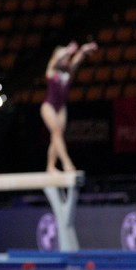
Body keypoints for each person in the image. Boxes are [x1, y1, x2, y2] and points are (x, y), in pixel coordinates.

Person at [42, 40, 98, 172]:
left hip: (61, 108)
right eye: (63, 57)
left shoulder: (69, 70)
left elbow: (78, 58)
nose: (65, 59)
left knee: (57, 136)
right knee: (56, 133)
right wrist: (67, 50)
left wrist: (84, 49)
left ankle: (50, 167)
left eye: (67, 57)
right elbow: (56, 57)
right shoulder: (51, 70)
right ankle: (67, 163)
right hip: (49, 106)